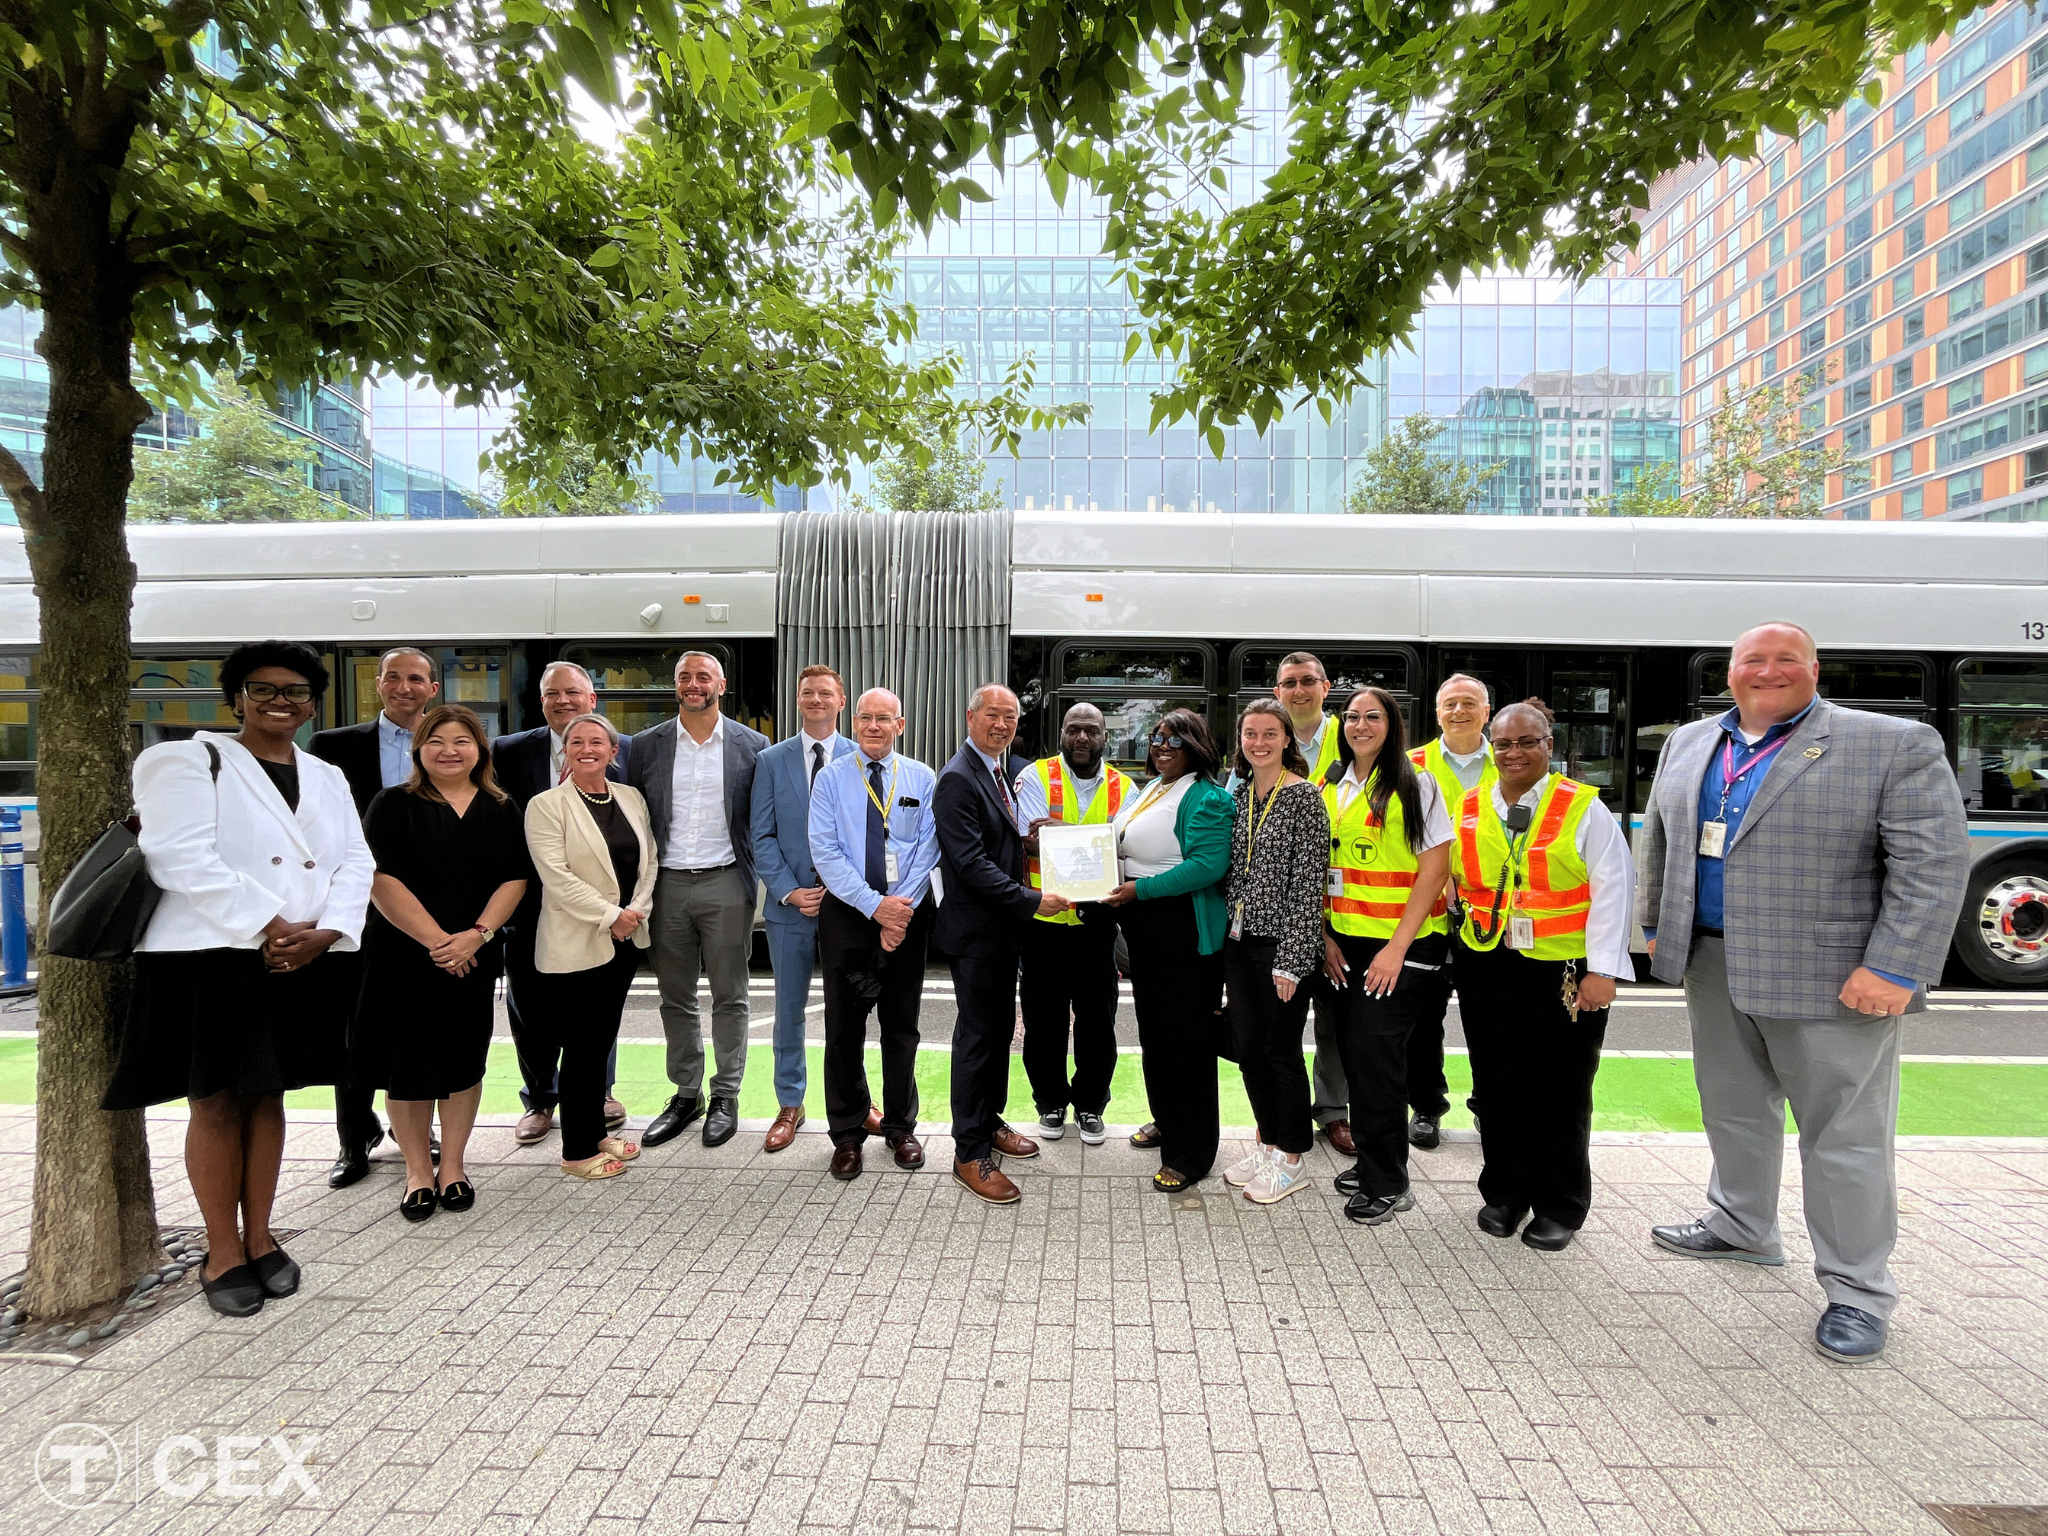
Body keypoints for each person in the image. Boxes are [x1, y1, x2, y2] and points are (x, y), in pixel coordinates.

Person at [1636, 622, 1968, 1364]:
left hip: (1832, 976)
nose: (1769, 671)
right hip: (1712, 962)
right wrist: (1657, 923)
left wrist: (1897, 965)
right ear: (1730, 673)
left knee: (1844, 1136)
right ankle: (1741, 1226)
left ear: (1815, 669)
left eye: (1787, 659)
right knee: (1731, 1108)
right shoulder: (1691, 743)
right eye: (1754, 660)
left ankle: (1857, 1291)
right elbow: (1661, 838)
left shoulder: (1890, 744)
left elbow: (1932, 863)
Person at [104, 642, 374, 1317]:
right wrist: (270, 923)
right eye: (264, 689)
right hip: (213, 956)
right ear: (237, 697)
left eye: (296, 691)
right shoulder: (185, 760)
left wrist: (329, 931)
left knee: (268, 1095)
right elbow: (177, 856)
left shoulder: (327, 775)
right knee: (218, 1099)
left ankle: (262, 1234)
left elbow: (357, 859)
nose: (281, 701)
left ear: (314, 704)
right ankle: (221, 1249)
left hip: (302, 957)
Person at [1451, 699, 1635, 1253]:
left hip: (1563, 971)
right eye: (1503, 743)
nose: (1513, 752)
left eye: (1526, 742)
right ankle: (1505, 1193)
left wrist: (1603, 971)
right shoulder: (1468, 804)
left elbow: (1613, 890)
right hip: (1486, 963)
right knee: (1498, 1086)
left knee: (1558, 1091)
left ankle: (1561, 1204)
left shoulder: (1582, 807)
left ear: (1548, 747)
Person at [356, 705, 529, 1222]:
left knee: (462, 1061)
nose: (449, 751)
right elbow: (380, 879)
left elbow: (515, 877)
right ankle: (416, 1171)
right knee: (405, 1066)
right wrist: (438, 943)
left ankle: (452, 1166)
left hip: (473, 956)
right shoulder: (392, 803)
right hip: (404, 954)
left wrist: (475, 937)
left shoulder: (501, 806)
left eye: (462, 741)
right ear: (419, 749)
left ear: (480, 750)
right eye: (437, 740)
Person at [1319, 686, 1453, 1225]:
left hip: (1403, 945)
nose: (1360, 726)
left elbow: (1435, 869)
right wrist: (1325, 937)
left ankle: (1388, 1183)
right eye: (1352, 717)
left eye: (1372, 717)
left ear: (1391, 723)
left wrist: (1396, 949)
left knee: (1377, 1060)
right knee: (1357, 1057)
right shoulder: (1332, 783)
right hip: (1344, 943)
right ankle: (1377, 1158)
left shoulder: (1414, 782)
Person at [933, 683, 1071, 1204]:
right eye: (992, 715)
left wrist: (1030, 841)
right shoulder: (956, 779)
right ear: (970, 717)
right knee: (976, 1039)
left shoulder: (1000, 771)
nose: (1002, 724)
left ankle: (988, 1123)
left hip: (1000, 931)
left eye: (1010, 717)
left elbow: (997, 842)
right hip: (977, 934)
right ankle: (968, 1152)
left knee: (994, 1034)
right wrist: (1030, 899)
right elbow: (969, 864)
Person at [309, 645, 440, 1189]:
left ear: (433, 688)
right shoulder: (332, 747)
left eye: (415, 679)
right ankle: (353, 1136)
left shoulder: (453, 744)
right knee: (352, 1026)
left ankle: (414, 1130)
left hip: (427, 907)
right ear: (378, 684)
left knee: (418, 1025)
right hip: (354, 906)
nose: (403, 687)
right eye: (393, 678)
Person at [628, 650, 767, 1149]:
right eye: (684, 676)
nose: (692, 684)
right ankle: (686, 1094)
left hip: (727, 881)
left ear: (721, 685)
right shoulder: (646, 746)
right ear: (675, 685)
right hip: (665, 885)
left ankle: (726, 1094)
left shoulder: (754, 746)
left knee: (732, 995)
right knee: (676, 996)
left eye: (702, 676)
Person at [491, 660, 631, 1147]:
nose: (563, 701)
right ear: (542, 700)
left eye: (573, 692)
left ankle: (599, 1095)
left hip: (600, 910)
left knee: (599, 1008)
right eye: (553, 694)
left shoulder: (623, 750)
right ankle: (540, 1099)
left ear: (593, 699)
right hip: (529, 905)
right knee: (529, 1006)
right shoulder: (507, 751)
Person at [808, 688, 941, 1180]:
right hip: (847, 914)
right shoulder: (831, 778)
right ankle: (846, 1134)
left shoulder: (922, 778)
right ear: (854, 720)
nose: (873, 726)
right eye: (865, 717)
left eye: (883, 718)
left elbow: (929, 848)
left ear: (900, 725)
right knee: (843, 1029)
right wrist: (875, 908)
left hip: (907, 911)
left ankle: (901, 1127)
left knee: (901, 1027)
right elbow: (824, 851)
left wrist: (898, 911)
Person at [1101, 710, 1232, 1191]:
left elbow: (1207, 866)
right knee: (1156, 1034)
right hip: (1145, 927)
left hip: (1182, 931)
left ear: (1196, 745)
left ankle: (1192, 1152)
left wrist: (1141, 891)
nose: (1161, 746)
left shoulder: (1208, 797)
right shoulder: (1152, 789)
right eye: (1155, 738)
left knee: (1188, 1044)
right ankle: (1168, 1120)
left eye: (1173, 740)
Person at [526, 713, 658, 1180]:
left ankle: (595, 1130)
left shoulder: (630, 797)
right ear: (565, 751)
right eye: (576, 741)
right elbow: (556, 878)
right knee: (580, 1046)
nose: (587, 748)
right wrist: (611, 916)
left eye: (597, 741)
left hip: (622, 940)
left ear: (613, 751)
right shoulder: (546, 805)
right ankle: (577, 1151)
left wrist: (635, 911)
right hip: (575, 942)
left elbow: (649, 862)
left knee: (600, 1042)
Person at [751, 664, 878, 1151]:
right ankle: (791, 1102)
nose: (817, 699)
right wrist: (786, 890)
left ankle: (857, 1102)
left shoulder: (862, 755)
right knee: (789, 1010)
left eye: (826, 692)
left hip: (848, 909)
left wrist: (853, 891)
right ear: (798, 700)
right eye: (808, 693)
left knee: (852, 1012)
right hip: (792, 908)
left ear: (841, 701)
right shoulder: (772, 760)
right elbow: (760, 834)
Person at [1220, 699, 1330, 1206]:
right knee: (1246, 1048)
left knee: (1278, 1050)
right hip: (1239, 943)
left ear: (1287, 739)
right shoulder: (1239, 795)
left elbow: (1310, 885)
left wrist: (1293, 958)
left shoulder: (1304, 797)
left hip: (1282, 946)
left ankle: (1292, 1156)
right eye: (1250, 734)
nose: (1258, 743)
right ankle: (1266, 1140)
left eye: (1269, 734)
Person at [1014, 703, 1134, 1145]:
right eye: (1073, 730)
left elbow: (1125, 845)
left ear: (1105, 736)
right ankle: (1049, 1102)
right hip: (1044, 922)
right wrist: (1093, 838)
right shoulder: (1034, 776)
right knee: (1042, 1021)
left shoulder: (1127, 787)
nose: (1082, 737)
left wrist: (1058, 831)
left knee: (1097, 1023)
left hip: (1098, 926)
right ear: (1061, 733)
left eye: (1091, 730)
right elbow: (1028, 837)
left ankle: (1089, 1105)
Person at [1404, 673, 1497, 1151]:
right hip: (1432, 912)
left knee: (1491, 1018)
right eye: (1449, 705)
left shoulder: (1511, 759)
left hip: (1493, 913)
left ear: (1486, 711)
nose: (1458, 712)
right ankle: (1426, 1106)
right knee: (1423, 1020)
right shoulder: (1410, 763)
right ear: (1436, 713)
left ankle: (1490, 1105)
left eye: (1469, 703)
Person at [1269, 651, 1354, 1158]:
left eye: (1307, 682)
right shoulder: (1265, 741)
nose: (1298, 691)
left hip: (1344, 909)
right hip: (1282, 916)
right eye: (1288, 684)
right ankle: (1280, 1114)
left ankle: (1333, 1112)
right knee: (1278, 1024)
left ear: (1325, 687)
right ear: (1277, 692)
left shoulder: (1356, 737)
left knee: (1336, 1022)